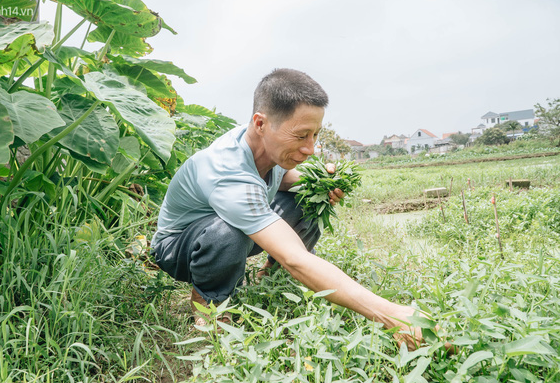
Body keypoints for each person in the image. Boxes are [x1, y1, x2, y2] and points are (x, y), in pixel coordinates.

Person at [151, 68, 427, 350]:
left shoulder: (258, 143)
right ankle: (207, 301)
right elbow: (296, 257)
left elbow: (278, 179)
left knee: (308, 197)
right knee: (230, 231)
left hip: (225, 228)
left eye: (315, 135)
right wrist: (391, 314)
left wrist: (318, 183)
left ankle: (268, 273)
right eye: (301, 136)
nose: (311, 149)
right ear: (260, 123)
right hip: (180, 248)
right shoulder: (228, 170)